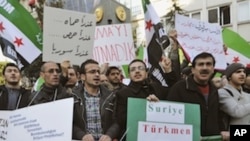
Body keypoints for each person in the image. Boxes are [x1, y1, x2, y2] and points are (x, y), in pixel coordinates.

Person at [167, 52, 229, 140]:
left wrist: (222, 130)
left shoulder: (214, 89)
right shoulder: (179, 88)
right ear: (193, 69)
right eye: (200, 64)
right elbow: (170, 117)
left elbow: (217, 114)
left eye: (208, 64)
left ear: (212, 69)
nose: (204, 68)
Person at [114, 57, 177, 140]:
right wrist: (149, 108)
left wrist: (168, 71)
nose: (137, 71)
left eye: (140, 68)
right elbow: (122, 121)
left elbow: (175, 91)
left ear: (146, 73)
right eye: (133, 69)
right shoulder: (123, 94)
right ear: (129, 75)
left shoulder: (156, 88)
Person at [72, 59, 119, 141]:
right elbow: (69, 122)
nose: (97, 75)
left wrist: (109, 135)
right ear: (83, 76)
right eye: (92, 72)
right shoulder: (73, 97)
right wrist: (82, 135)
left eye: (98, 72)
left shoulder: (111, 96)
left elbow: (117, 121)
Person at [218, 63, 250, 130]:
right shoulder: (222, 93)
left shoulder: (248, 95)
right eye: (238, 72)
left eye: (244, 72)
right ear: (229, 76)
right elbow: (236, 112)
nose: (242, 74)